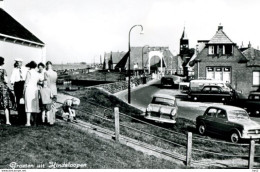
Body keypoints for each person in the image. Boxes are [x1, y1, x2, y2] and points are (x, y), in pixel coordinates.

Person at [10, 58, 28, 124]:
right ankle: (20, 118)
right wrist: (12, 83)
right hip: (17, 85)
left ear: (21, 63)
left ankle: (25, 118)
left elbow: (27, 77)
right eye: (17, 62)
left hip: (23, 84)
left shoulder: (25, 69)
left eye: (19, 62)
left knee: (24, 101)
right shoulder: (14, 70)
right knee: (18, 101)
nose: (18, 63)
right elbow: (12, 78)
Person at [24, 61, 41, 126]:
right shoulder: (37, 73)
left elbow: (26, 82)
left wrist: (23, 90)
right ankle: (35, 122)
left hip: (29, 89)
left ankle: (28, 122)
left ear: (30, 66)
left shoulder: (29, 72)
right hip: (35, 89)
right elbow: (40, 80)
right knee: (35, 105)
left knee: (28, 104)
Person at [0, 57, 15, 125]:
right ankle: (7, 121)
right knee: (6, 105)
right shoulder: (3, 71)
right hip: (3, 88)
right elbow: (6, 80)